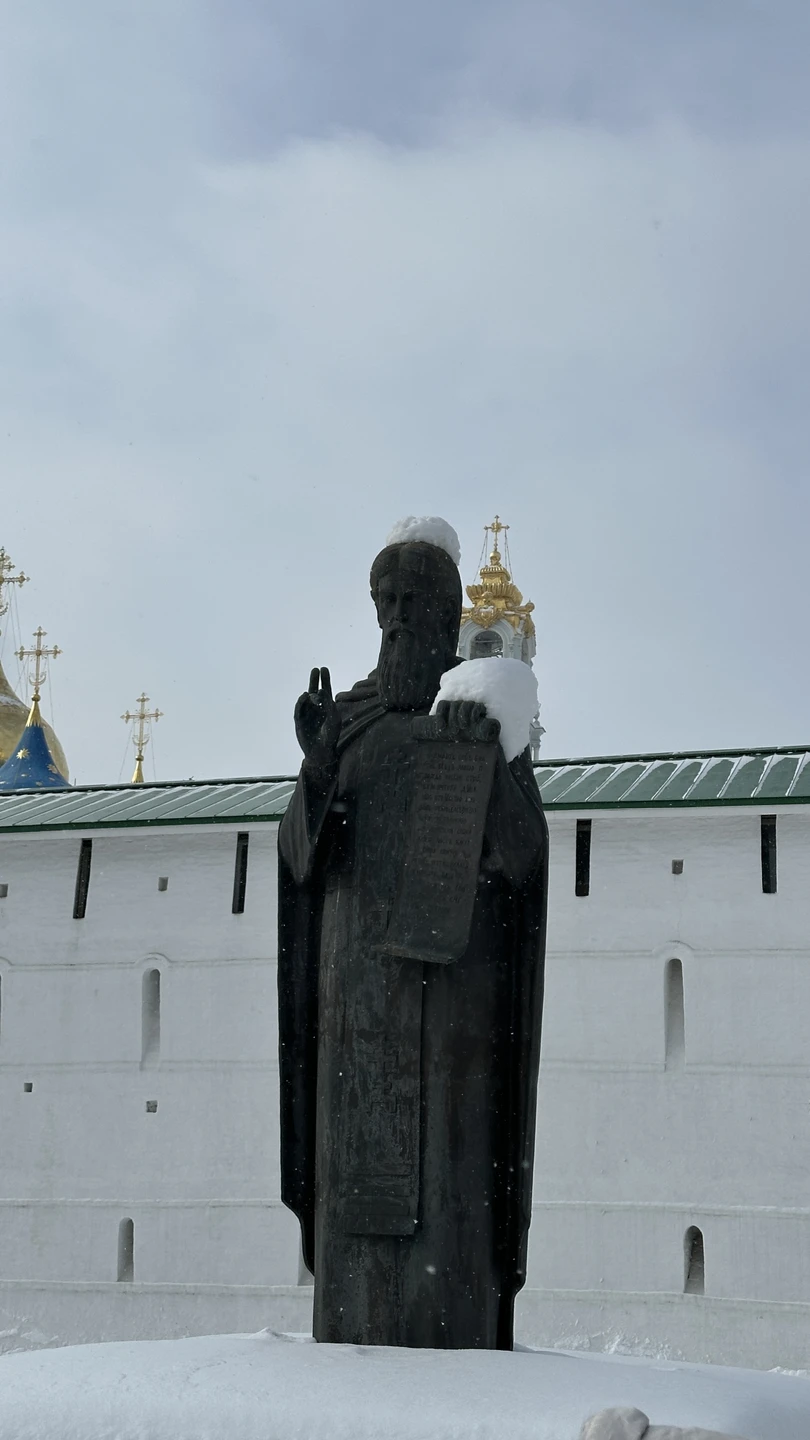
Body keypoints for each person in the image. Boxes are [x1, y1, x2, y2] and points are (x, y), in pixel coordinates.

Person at [278, 523, 548, 1349]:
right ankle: (353, 1336)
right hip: (355, 999)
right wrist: (317, 768)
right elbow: (299, 861)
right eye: (386, 602)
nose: (397, 619)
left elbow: (524, 857)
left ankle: (449, 1347)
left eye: (415, 603)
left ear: (444, 613)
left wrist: (486, 764)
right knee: (356, 1167)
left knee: (448, 1174)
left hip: (454, 1006)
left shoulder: (476, 716)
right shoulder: (349, 721)